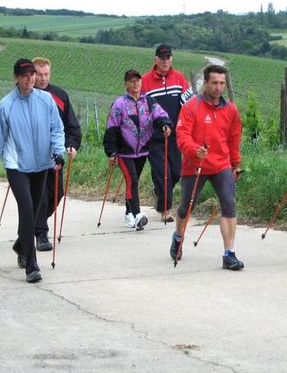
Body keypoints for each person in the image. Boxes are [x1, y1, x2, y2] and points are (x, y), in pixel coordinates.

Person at [0, 58, 65, 283]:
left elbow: (57, 129)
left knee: (35, 209)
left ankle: (21, 244)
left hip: (42, 165)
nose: (30, 79)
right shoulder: (6, 105)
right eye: (25, 75)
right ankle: (32, 265)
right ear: (16, 78)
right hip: (17, 166)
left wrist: (59, 152)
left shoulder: (45, 100)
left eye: (32, 75)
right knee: (27, 210)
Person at [170, 64, 244, 270]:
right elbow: (182, 136)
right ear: (205, 83)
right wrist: (195, 150)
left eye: (222, 83)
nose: (219, 88)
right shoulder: (191, 107)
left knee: (229, 205)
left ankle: (229, 253)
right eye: (214, 83)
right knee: (186, 208)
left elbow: (234, 138)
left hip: (221, 164)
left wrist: (235, 164)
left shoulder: (231, 109)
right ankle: (178, 236)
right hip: (195, 164)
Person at [103, 69, 172, 230]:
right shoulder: (119, 104)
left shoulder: (149, 101)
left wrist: (165, 125)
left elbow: (160, 115)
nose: (135, 83)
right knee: (132, 181)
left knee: (132, 183)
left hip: (142, 151)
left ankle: (129, 214)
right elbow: (111, 128)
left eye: (138, 80)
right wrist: (111, 152)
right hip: (124, 152)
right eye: (131, 80)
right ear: (126, 84)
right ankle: (138, 214)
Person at [29, 57, 82, 251]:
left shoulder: (60, 95)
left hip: (56, 156)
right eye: (39, 74)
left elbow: (72, 126)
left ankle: (34, 221)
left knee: (56, 194)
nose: (43, 79)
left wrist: (72, 145)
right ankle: (41, 234)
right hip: (32, 157)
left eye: (46, 74)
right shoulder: (26, 95)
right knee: (41, 195)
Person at [141, 44, 193, 222]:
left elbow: (189, 103)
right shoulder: (145, 81)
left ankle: (158, 193)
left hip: (175, 135)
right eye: (162, 58)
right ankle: (166, 210)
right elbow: (140, 108)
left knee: (176, 172)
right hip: (154, 137)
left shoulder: (179, 78)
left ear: (171, 59)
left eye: (168, 58)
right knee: (163, 174)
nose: (165, 61)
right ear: (155, 59)